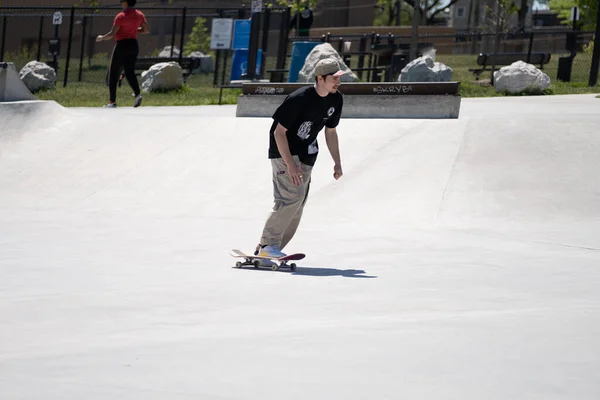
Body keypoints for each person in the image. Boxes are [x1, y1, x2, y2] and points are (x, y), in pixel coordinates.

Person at [255, 58, 345, 261]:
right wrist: (290, 164)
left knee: (298, 205)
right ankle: (268, 244)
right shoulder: (299, 98)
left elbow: (330, 132)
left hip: (307, 155)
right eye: (333, 78)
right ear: (320, 78)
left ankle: (268, 248)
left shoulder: (336, 99)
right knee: (289, 200)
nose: (338, 82)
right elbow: (279, 133)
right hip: (285, 152)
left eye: (339, 78)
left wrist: (337, 162)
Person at [96, 0, 149, 108]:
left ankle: (112, 102)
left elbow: (112, 34)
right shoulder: (139, 14)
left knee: (113, 73)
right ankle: (138, 94)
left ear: (125, 2)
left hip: (121, 45)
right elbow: (146, 30)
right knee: (129, 72)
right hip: (133, 45)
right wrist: (134, 30)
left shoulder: (121, 16)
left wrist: (101, 37)